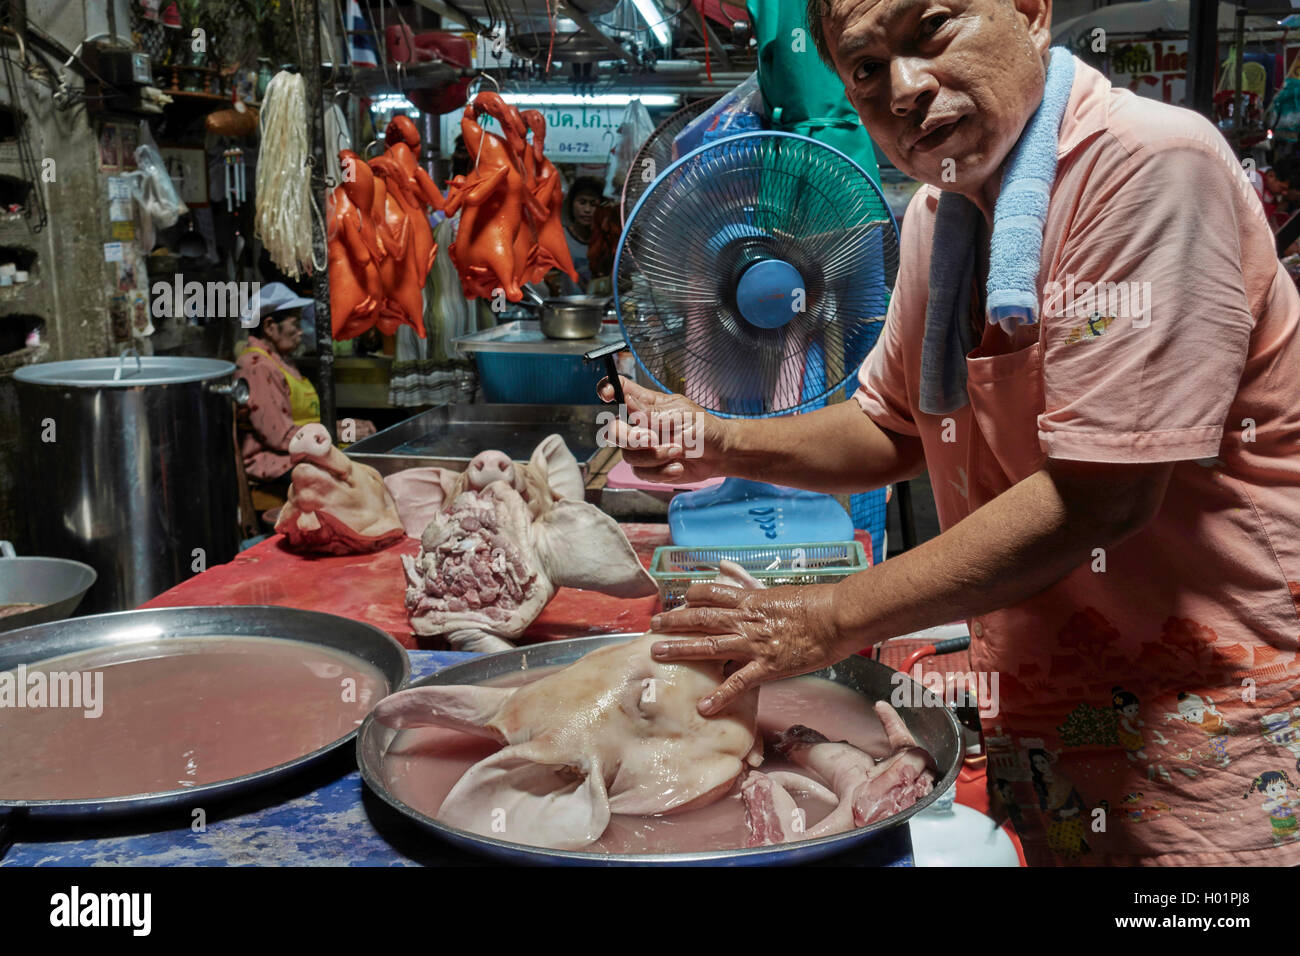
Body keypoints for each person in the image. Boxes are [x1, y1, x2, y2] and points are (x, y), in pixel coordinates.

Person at [600, 0, 1300, 866]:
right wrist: (719, 441)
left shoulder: (1146, 167)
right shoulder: (943, 214)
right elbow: (887, 427)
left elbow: (1102, 495)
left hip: (1203, 715)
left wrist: (824, 618)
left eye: (931, 28)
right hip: (1053, 698)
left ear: (1031, 12)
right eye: (865, 68)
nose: (903, 87)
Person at [234, 283, 374, 507]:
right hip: (271, 462)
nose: (301, 331)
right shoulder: (257, 366)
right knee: (349, 481)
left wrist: (348, 428)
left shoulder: (280, 361)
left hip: (298, 451)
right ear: (270, 326)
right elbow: (279, 437)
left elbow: (305, 425)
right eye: (296, 324)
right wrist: (343, 432)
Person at [546, 176, 602, 295]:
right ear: (572, 204)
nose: (587, 210)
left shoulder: (606, 242)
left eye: (593, 204)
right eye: (582, 202)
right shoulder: (559, 238)